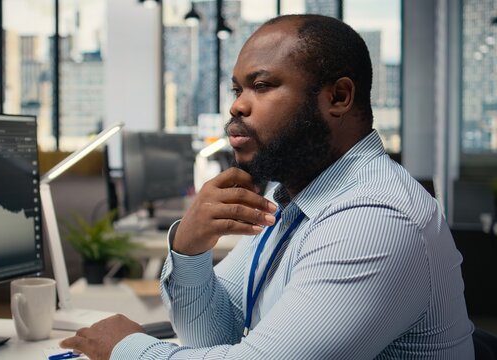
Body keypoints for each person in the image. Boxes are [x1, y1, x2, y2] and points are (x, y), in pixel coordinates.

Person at [60, 14, 475, 359]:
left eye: (261, 86)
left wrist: (126, 349)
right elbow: (213, 335)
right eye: (237, 89)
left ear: (339, 97)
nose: (237, 105)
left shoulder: (375, 218)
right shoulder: (296, 199)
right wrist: (189, 248)